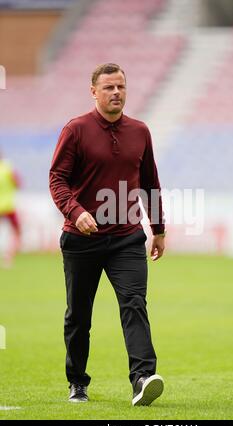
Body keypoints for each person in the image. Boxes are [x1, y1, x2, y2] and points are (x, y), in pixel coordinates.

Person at [49, 63, 166, 406]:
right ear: (94, 92)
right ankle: (77, 382)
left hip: (128, 237)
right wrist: (76, 211)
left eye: (121, 87)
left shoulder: (140, 131)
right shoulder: (76, 129)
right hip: (81, 240)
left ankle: (143, 379)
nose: (116, 93)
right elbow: (57, 179)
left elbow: (150, 183)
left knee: (134, 305)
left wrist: (158, 228)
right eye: (109, 88)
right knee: (78, 315)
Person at [0, 151, 21, 268]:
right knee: (16, 232)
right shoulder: (7, 168)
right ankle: (8, 256)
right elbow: (18, 183)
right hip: (8, 206)